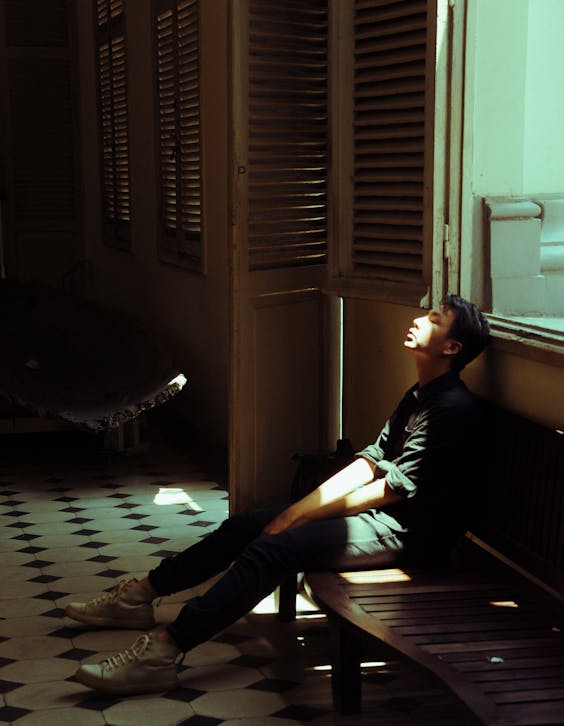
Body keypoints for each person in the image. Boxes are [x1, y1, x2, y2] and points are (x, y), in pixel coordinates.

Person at [67, 293, 490, 696]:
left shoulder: (451, 408)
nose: (418, 319)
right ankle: (141, 594)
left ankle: (164, 649)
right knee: (244, 527)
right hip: (384, 519)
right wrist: (302, 509)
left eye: (433, 319)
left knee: (273, 549)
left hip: (412, 535)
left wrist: (299, 517)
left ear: (451, 348)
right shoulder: (419, 395)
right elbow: (370, 462)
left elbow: (391, 491)